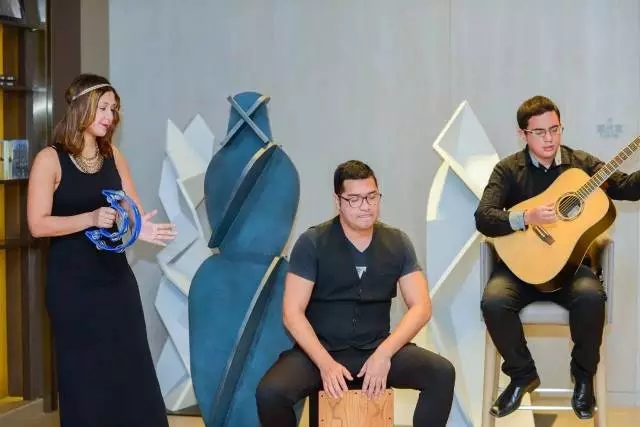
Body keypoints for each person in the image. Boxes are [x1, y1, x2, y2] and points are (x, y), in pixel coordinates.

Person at [475, 95, 640, 420]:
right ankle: (522, 375)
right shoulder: (508, 170)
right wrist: (526, 218)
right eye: (539, 132)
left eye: (555, 129)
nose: (549, 139)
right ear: (523, 134)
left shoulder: (581, 165)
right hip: (519, 270)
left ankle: (583, 379)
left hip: (569, 270)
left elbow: (624, 187)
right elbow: (483, 217)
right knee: (494, 302)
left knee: (592, 297)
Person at [255, 160, 455, 427]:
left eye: (372, 196)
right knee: (270, 393)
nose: (365, 206)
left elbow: (421, 306)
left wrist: (384, 354)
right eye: (354, 199)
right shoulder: (312, 242)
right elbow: (292, 313)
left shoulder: (398, 242)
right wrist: (325, 364)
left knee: (441, 373)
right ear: (338, 201)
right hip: (322, 351)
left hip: (376, 348)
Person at [27, 74, 177, 427]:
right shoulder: (50, 159)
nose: (110, 116)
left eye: (114, 109)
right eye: (104, 108)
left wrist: (140, 227)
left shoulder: (112, 155)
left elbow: (130, 208)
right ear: (82, 106)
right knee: (84, 379)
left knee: (133, 371)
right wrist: (90, 218)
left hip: (115, 282)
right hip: (72, 287)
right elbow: (38, 225)